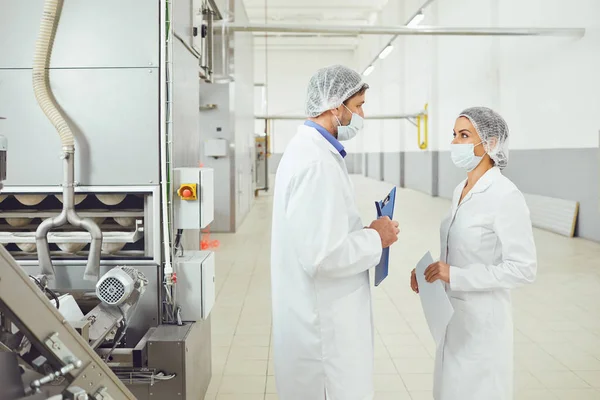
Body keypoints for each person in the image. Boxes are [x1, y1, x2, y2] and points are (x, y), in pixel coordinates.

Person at [270, 65, 400, 400]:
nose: (361, 115)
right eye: (357, 106)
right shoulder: (316, 164)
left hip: (318, 314)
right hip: (324, 330)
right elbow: (323, 256)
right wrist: (377, 237)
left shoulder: (314, 153)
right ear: (334, 106)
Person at [410, 107, 537, 400]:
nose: (456, 142)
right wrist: (430, 275)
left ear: (491, 144)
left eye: (465, 135)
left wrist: (454, 274)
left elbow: (523, 268)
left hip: (482, 325)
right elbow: (456, 251)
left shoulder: (505, 195)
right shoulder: (461, 189)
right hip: (452, 317)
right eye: (454, 135)